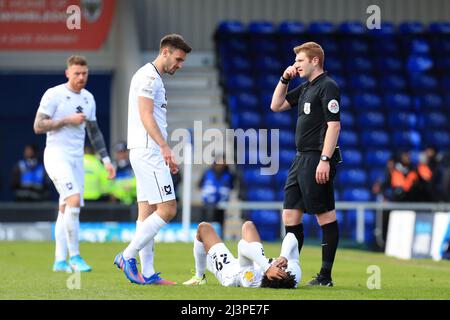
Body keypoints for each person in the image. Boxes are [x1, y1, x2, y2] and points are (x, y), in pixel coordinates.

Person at [113, 34, 192, 285]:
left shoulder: (152, 77)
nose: (180, 65)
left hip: (144, 149)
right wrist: (164, 147)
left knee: (146, 213)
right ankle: (127, 256)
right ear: (165, 52)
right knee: (168, 209)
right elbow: (146, 115)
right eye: (178, 59)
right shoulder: (148, 77)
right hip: (148, 150)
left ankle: (147, 273)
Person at [33, 55, 116, 273]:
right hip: (56, 156)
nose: (81, 77)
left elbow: (94, 132)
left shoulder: (88, 98)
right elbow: (38, 125)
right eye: (77, 73)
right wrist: (66, 120)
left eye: (85, 73)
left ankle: (59, 261)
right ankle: (75, 257)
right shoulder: (54, 94)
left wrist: (106, 160)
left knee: (66, 208)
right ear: (68, 73)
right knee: (74, 200)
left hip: (76, 159)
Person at [270, 42, 341, 286]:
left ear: (314, 61)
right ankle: (289, 271)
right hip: (300, 158)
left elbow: (334, 125)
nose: (296, 65)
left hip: (316, 158)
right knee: (290, 215)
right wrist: (284, 78)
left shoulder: (328, 87)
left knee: (325, 216)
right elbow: (276, 106)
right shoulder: (305, 88)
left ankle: (325, 276)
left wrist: (325, 159)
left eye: (300, 61)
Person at [182, 221, 300, 288]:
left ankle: (199, 277)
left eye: (279, 269)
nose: (281, 266)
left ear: (268, 275)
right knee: (248, 225)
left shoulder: (251, 279)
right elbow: (291, 236)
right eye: (284, 269)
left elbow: (242, 245)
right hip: (255, 261)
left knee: (203, 228)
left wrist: (268, 267)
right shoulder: (294, 273)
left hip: (231, 271)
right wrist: (283, 256)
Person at [198, 153, 234, 232]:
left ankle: (219, 238)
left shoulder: (229, 174)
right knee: (207, 221)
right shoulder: (207, 172)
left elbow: (232, 186)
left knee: (220, 222)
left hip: (222, 203)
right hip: (208, 203)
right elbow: (200, 185)